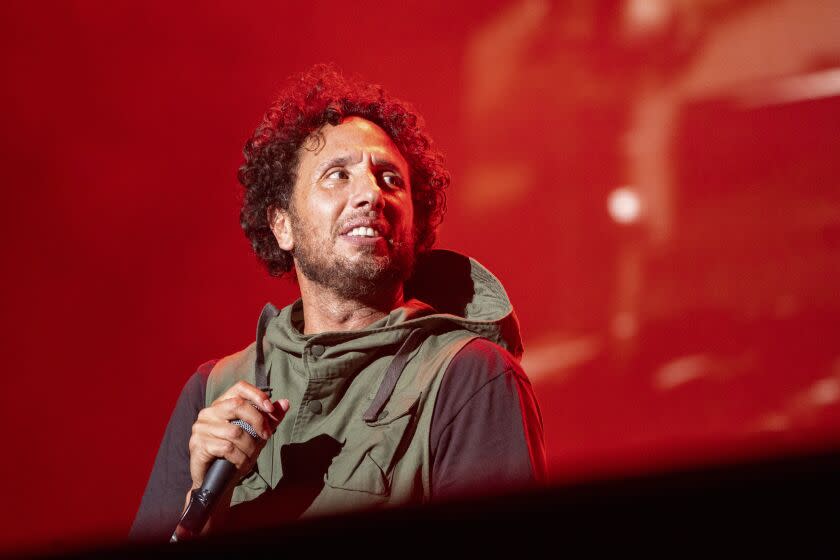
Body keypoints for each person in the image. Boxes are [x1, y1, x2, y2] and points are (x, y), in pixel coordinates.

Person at [130, 64, 546, 541]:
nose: (370, 194)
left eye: (390, 179)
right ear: (282, 224)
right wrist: (201, 509)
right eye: (337, 175)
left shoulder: (469, 377)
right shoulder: (213, 390)